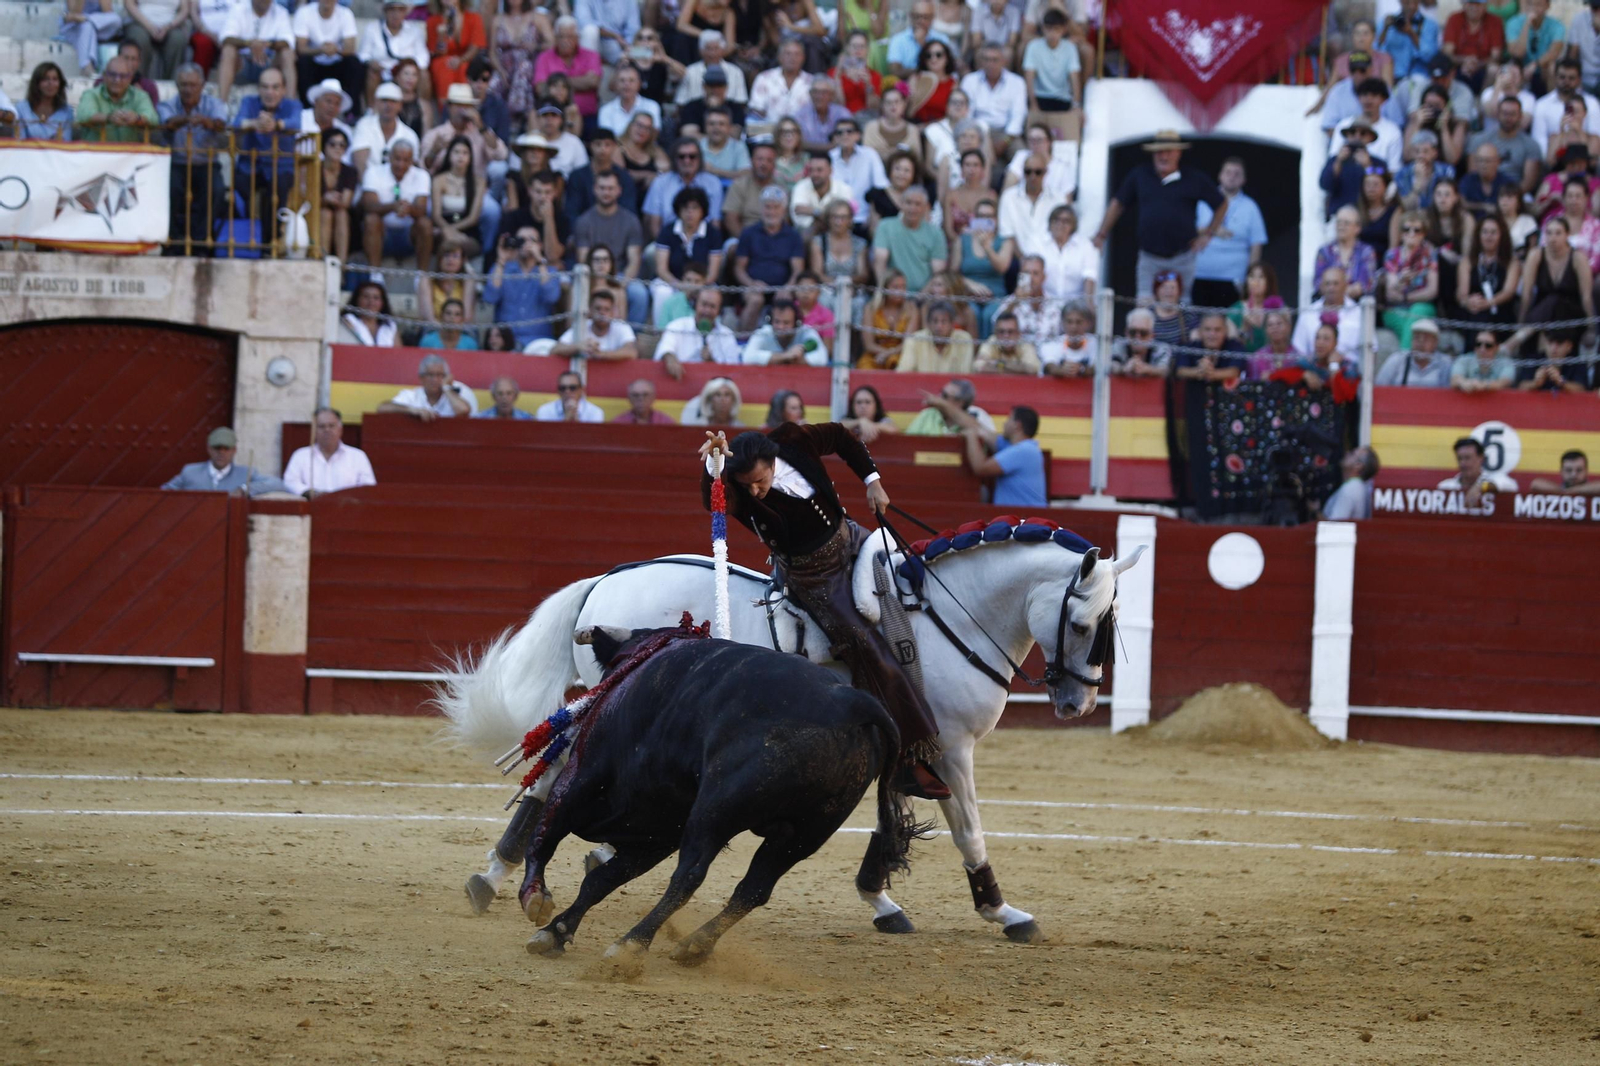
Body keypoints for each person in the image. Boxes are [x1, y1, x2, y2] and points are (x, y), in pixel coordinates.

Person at [699, 426, 950, 800]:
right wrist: (712, 466)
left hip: (850, 536)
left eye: (759, 480)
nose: (755, 490)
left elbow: (843, 439)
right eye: (747, 485)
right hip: (815, 578)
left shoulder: (792, 440)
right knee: (865, 647)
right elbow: (713, 501)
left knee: (913, 579)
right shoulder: (739, 489)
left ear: (772, 461)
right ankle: (906, 758)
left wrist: (872, 480)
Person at [1093, 130, 1225, 300]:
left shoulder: (1193, 178)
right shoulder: (1140, 175)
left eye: (1168, 151)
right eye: (1159, 152)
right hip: (1149, 258)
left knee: (1182, 310)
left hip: (1183, 257)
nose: (1164, 156)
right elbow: (1117, 204)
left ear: (1178, 153)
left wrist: (1208, 234)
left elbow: (1221, 204)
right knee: (1144, 308)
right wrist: (1101, 235)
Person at [157, 63, 227, 253]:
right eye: (184, 85)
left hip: (207, 163)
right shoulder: (168, 104)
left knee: (216, 190)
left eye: (193, 85)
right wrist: (187, 120)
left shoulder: (214, 104)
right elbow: (167, 122)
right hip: (177, 162)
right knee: (169, 189)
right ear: (177, 86)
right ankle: (172, 241)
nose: (188, 89)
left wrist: (208, 122)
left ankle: (201, 242)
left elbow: (221, 124)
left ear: (202, 85)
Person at [1192, 158, 1268, 309]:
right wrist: (1211, 230)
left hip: (1234, 277)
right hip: (1201, 274)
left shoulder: (1250, 207)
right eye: (1228, 172)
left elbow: (1256, 245)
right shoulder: (1202, 202)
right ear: (1220, 176)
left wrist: (1251, 279)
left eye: (1237, 174)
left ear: (1243, 180)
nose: (1232, 176)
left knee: (1231, 324)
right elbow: (1187, 232)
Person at [735, 186, 807, 329]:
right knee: (755, 300)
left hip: (783, 289)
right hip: (754, 288)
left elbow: (798, 270)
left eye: (776, 207)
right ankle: (744, 341)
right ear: (761, 209)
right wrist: (751, 283)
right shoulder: (748, 233)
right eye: (767, 207)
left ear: (784, 210)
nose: (771, 212)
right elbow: (739, 268)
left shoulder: (793, 236)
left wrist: (788, 288)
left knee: (786, 302)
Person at [484, 225, 564, 349]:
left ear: (540, 245)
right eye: (521, 240)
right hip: (506, 342)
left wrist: (539, 260)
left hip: (539, 342)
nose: (526, 244)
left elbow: (551, 297)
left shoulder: (549, 271)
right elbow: (490, 297)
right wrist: (501, 259)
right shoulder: (502, 269)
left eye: (532, 240)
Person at [953, 405, 1047, 508]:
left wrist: (971, 437)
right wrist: (941, 403)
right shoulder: (1019, 448)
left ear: (1017, 425)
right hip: (1022, 518)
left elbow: (980, 468)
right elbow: (978, 428)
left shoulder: (1023, 450)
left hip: (1023, 520)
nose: (1005, 423)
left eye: (1009, 419)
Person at [651, 185, 725, 315]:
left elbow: (713, 273)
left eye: (695, 208)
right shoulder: (667, 231)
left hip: (703, 283)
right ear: (679, 210)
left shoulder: (713, 234)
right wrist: (680, 285)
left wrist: (696, 286)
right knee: (662, 291)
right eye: (686, 208)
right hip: (673, 281)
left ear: (703, 211)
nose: (690, 213)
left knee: (712, 293)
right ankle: (661, 331)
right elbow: (661, 269)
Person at [361, 141, 433, 268]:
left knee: (425, 224)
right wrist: (393, 207)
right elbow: (368, 206)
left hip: (409, 234)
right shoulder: (373, 172)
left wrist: (409, 209)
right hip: (383, 234)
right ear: (389, 157)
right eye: (397, 159)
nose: (401, 164)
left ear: (412, 161)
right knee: (371, 220)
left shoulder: (422, 176)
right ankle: (375, 274)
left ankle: (422, 276)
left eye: (406, 160)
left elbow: (422, 210)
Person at [162, 427, 290, 495]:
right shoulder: (190, 472)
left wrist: (244, 489)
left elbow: (278, 484)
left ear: (234, 450)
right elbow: (164, 493)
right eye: (217, 448)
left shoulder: (245, 474)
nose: (221, 453)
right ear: (209, 449)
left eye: (226, 449)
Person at [642, 138, 725, 240]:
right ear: (674, 159)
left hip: (703, 242)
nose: (687, 160)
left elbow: (715, 221)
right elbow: (654, 223)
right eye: (681, 157)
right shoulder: (660, 182)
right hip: (667, 241)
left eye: (692, 156)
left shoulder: (713, 183)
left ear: (699, 159)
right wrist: (663, 247)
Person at [283, 408, 377, 497]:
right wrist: (311, 493)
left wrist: (343, 497)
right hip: (311, 508)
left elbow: (368, 487)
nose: (327, 430)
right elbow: (290, 482)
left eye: (331, 426)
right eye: (321, 426)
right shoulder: (301, 455)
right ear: (314, 431)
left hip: (348, 509)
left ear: (340, 429)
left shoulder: (357, 456)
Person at [216, 0, 297, 102]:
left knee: (287, 53)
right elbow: (225, 38)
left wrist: (266, 44)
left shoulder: (280, 12)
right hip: (243, 63)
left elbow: (288, 42)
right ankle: (221, 104)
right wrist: (250, 43)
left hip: (269, 62)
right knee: (228, 50)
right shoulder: (238, 8)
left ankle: (290, 104)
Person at [872, 185, 946, 290]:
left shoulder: (936, 234)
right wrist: (884, 291)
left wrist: (920, 297)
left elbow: (938, 273)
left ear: (925, 208)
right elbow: (880, 262)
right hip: (891, 294)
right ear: (901, 204)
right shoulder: (885, 226)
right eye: (909, 203)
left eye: (918, 204)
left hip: (924, 297)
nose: (913, 208)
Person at [997, 149, 1066, 261]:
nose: (1033, 176)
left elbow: (1063, 233)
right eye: (1028, 172)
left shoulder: (1058, 199)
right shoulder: (1009, 197)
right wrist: (1024, 261)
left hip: (1051, 261)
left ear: (1045, 172)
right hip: (1018, 260)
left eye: (1038, 172)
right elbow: (1008, 235)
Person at [657, 288, 742, 378]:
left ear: (719, 311)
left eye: (712, 306)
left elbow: (733, 371)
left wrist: (712, 363)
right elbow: (665, 348)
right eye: (704, 305)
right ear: (695, 305)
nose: (707, 311)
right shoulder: (677, 326)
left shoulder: (727, 335)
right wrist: (670, 357)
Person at [1466, 95, 1544, 193]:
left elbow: (1528, 182)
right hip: (1481, 193)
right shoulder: (1479, 140)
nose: (1508, 118)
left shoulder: (1531, 145)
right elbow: (1472, 174)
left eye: (1512, 114)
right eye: (1505, 113)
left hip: (1515, 194)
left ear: (1520, 116)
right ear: (1498, 114)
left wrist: (1508, 197)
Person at [960, 43, 1028, 153]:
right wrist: (975, 136)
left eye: (995, 60)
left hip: (1006, 134)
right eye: (986, 60)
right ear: (981, 62)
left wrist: (1005, 142)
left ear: (1004, 61)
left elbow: (1018, 116)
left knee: (1021, 155)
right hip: (977, 132)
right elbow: (967, 114)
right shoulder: (970, 80)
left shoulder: (1017, 82)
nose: (990, 64)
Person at [1291, 266, 1364, 368]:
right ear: (1321, 287)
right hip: (1314, 371)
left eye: (1335, 283)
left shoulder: (1359, 313)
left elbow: (1371, 349)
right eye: (1327, 284)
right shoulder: (1308, 314)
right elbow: (1298, 351)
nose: (1331, 288)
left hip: (1350, 373)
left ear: (1345, 286)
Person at [74, 56, 158, 143]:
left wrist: (137, 118)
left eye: (123, 76)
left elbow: (153, 119)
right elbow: (83, 116)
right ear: (104, 76)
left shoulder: (140, 96)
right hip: (96, 154)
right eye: (112, 75)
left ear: (130, 78)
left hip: (130, 154)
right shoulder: (91, 94)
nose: (117, 80)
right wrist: (108, 118)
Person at [361, 0, 431, 103]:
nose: (396, 14)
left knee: (424, 75)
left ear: (405, 12)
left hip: (406, 72)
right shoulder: (372, 28)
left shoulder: (415, 31)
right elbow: (363, 54)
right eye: (392, 9)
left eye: (400, 10)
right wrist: (371, 62)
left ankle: (423, 109)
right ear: (385, 11)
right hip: (383, 71)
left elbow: (423, 56)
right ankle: (372, 111)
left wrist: (408, 66)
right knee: (372, 73)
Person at [350, 82, 420, 176]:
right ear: (376, 103)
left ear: (400, 105)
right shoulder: (364, 125)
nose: (388, 105)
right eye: (384, 100)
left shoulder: (410, 135)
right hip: (367, 186)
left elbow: (411, 170)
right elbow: (360, 163)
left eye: (393, 101)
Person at [378, 354, 478, 419]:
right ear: (421, 378)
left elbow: (463, 411)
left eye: (440, 375)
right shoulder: (412, 395)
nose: (435, 380)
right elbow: (382, 408)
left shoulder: (457, 393)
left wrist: (446, 387)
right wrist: (412, 410)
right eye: (430, 375)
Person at [550, 290, 640, 360]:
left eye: (606, 309)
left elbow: (632, 352)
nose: (602, 313)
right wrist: (578, 347)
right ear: (590, 310)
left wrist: (601, 354)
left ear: (612, 312)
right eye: (598, 308)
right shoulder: (581, 326)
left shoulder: (621, 327)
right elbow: (554, 350)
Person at [1023, 8, 1081, 113]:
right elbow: (1029, 77)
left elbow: (1074, 78)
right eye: (1049, 29)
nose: (1052, 33)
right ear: (1043, 28)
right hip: (1039, 97)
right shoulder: (1033, 46)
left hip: (1062, 98)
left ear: (1063, 30)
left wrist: (1076, 104)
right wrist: (1033, 104)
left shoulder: (1070, 48)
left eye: (1057, 29)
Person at [122, 0, 192, 81]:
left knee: (178, 40)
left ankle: (172, 84)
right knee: (139, 40)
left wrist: (168, 27)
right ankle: (138, 83)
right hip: (140, 22)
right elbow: (129, 4)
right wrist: (150, 27)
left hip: (171, 25)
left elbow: (184, 10)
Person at [897, 300, 974, 373]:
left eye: (944, 321)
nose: (939, 326)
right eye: (935, 321)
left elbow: (965, 374)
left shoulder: (963, 340)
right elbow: (904, 372)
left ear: (952, 324)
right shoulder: (915, 340)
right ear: (928, 323)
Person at [888, 1, 955, 80]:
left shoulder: (942, 39)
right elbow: (895, 71)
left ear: (932, 18)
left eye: (925, 17)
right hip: (908, 87)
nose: (921, 21)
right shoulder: (898, 40)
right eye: (917, 16)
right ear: (911, 16)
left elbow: (949, 67)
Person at [1440, 436, 1518, 503]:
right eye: (1460, 459)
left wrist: (1481, 487)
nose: (1463, 463)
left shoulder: (1492, 480)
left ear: (1481, 458)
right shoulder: (1446, 486)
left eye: (1467, 458)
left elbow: (1511, 485)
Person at [904, 378, 995, 435]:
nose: (938, 398)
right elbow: (908, 444)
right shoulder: (928, 414)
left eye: (944, 395)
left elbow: (990, 440)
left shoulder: (979, 415)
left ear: (959, 402)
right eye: (941, 392)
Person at [1375, 318, 1452, 386]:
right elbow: (1379, 388)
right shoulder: (1397, 359)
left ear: (1435, 343)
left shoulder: (1444, 363)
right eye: (1417, 338)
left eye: (1426, 339)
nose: (1420, 343)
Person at [1175, 312, 1247, 383]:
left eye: (1217, 329)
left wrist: (1207, 373)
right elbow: (1181, 371)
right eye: (1207, 329)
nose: (1212, 334)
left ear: (1226, 331)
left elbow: (1234, 372)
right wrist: (1199, 370)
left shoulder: (1235, 347)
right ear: (1200, 331)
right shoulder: (1189, 347)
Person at [1377, 0, 1441, 80]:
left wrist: (1412, 34)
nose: (1410, 6)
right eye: (1407, 1)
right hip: (1391, 76)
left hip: (1418, 78)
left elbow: (1431, 58)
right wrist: (1385, 30)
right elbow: (1376, 52)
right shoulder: (1386, 23)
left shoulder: (1430, 25)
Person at [59, 0, 123, 78]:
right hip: (74, 26)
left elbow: (107, 11)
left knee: (116, 19)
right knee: (87, 27)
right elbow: (74, 14)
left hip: (97, 24)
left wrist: (85, 18)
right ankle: (86, 66)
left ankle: (88, 19)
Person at [15, 62, 73, 142]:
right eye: (46, 79)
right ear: (36, 83)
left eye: (55, 79)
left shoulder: (67, 111)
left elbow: (66, 143)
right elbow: (19, 141)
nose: (50, 83)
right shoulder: (21, 108)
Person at [598, 65, 661, 139]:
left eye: (631, 80)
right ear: (616, 85)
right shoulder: (606, 110)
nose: (626, 84)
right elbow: (607, 139)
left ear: (639, 84)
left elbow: (653, 135)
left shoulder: (651, 106)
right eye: (622, 80)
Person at [1037, 301, 1095, 377]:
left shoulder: (1096, 343)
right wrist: (1061, 370)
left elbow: (1100, 367)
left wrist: (1081, 369)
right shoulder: (1054, 343)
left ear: (1088, 323)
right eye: (1069, 322)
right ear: (1062, 323)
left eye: (1079, 322)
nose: (1074, 327)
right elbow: (1049, 366)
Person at [973, 311, 1041, 375]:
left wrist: (1000, 364)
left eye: (1010, 332)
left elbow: (1033, 369)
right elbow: (978, 367)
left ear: (1018, 333)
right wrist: (1018, 369)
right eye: (1001, 332)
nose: (1006, 336)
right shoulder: (991, 342)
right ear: (995, 333)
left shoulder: (1024, 344)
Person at [1322, 446, 1379, 521]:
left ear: (1358, 466)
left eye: (1352, 453)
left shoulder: (1350, 489)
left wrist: (1314, 512)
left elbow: (1334, 525)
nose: (1347, 453)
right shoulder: (1358, 486)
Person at [1112, 307, 1173, 377]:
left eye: (1143, 333)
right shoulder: (1119, 344)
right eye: (1133, 332)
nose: (1137, 337)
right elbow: (1110, 365)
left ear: (1152, 335)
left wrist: (1146, 369)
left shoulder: (1161, 349)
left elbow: (1165, 370)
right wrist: (1123, 369)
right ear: (1126, 333)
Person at [576, 0, 640, 66]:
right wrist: (614, 35)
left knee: (645, 52)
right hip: (592, 42)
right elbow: (583, 22)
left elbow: (633, 29)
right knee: (589, 31)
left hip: (617, 45)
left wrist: (627, 45)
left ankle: (623, 63)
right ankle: (587, 71)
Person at [1453, 329, 1518, 391]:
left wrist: (1484, 385)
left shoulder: (1506, 363)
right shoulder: (1464, 360)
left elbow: (1504, 382)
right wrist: (1464, 383)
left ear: (1497, 347)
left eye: (1488, 345)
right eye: (1478, 344)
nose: (1482, 349)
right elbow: (1454, 380)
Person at [338, 280, 397, 346]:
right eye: (366, 297)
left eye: (376, 298)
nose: (371, 301)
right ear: (357, 300)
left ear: (383, 302)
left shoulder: (389, 326)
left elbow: (398, 353)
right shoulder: (349, 320)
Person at [535, 371, 606, 422]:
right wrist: (566, 420)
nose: (567, 391)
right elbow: (545, 439)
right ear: (558, 391)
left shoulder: (595, 412)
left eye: (572, 388)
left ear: (582, 390)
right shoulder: (545, 410)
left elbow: (592, 440)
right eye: (563, 388)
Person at [1530, 450, 1600, 493]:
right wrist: (1564, 492)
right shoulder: (1557, 490)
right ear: (1561, 471)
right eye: (1569, 470)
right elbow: (1535, 483)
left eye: (1579, 470)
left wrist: (1572, 491)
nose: (1573, 474)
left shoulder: (1593, 491)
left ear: (1586, 471)